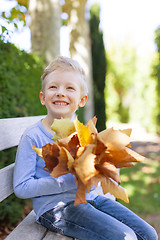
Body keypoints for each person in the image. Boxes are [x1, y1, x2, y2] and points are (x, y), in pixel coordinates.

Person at [14, 56, 158, 240]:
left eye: (70, 88)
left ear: (82, 100)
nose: (60, 92)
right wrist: (67, 181)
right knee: (125, 237)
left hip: (91, 199)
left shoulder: (83, 132)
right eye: (53, 87)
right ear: (43, 97)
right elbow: (21, 187)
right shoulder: (33, 136)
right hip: (55, 208)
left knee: (148, 234)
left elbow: (97, 169)